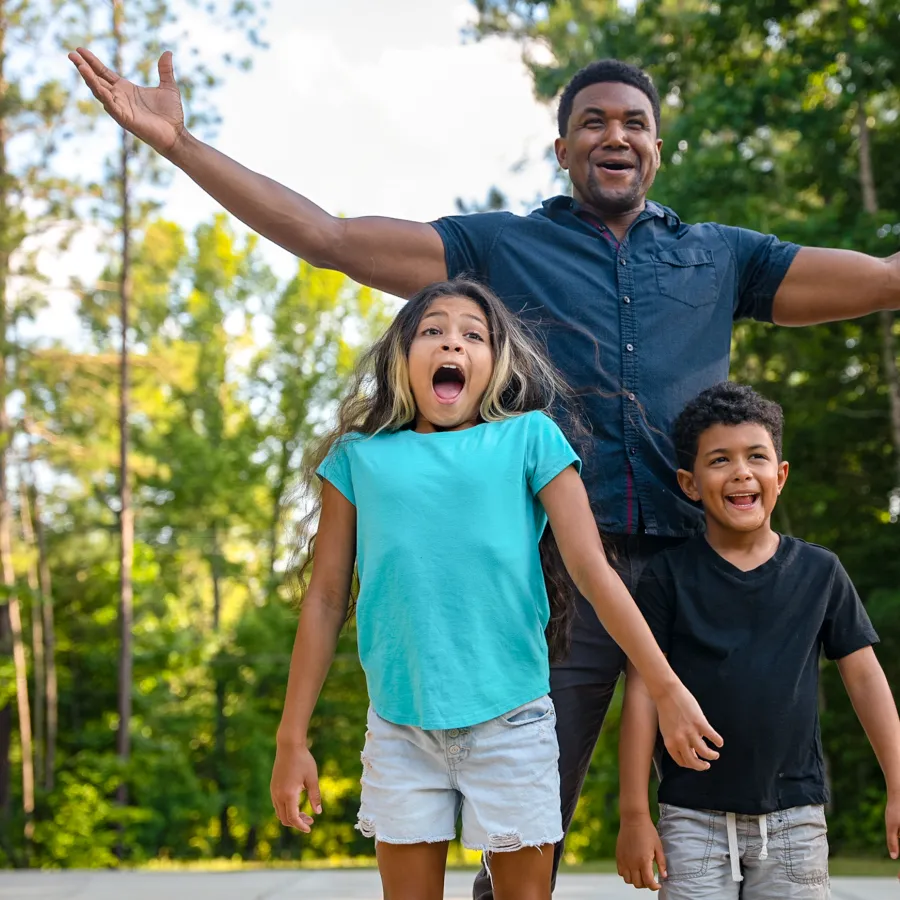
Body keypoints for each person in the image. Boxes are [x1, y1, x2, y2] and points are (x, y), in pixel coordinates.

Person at [68, 48, 900, 895]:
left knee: (753, 802)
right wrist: (179, 144)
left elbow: (883, 282)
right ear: (563, 147)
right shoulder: (500, 248)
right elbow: (330, 238)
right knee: (522, 824)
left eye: (635, 123)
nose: (616, 134)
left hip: (700, 576)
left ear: (657, 146)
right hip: (563, 578)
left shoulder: (721, 256)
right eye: (594, 121)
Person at [268, 278, 721, 900]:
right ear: (402, 357)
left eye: (472, 335)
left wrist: (666, 687)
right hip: (400, 727)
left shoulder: (529, 438)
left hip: (512, 721)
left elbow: (593, 570)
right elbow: (323, 602)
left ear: (494, 365)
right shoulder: (358, 459)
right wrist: (292, 739)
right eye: (433, 330)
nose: (452, 341)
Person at [615, 382, 900, 897]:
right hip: (691, 821)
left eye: (756, 457)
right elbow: (642, 691)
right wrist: (634, 813)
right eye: (720, 460)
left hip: (795, 821)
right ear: (690, 482)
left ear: (780, 475)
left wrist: (899, 786)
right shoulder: (666, 577)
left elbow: (864, 679)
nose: (742, 472)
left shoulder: (821, 572)